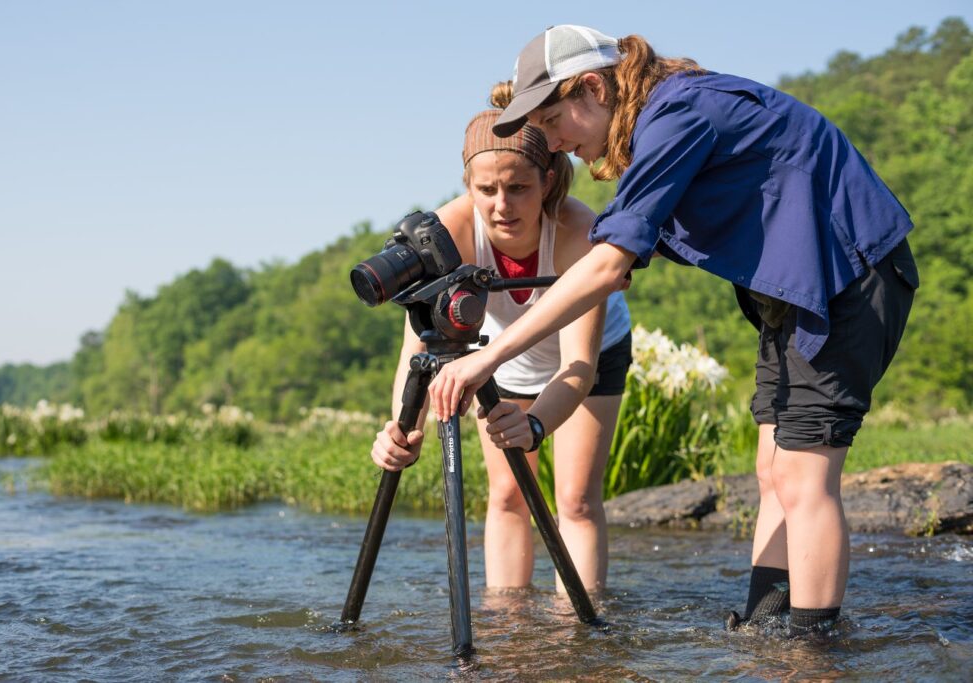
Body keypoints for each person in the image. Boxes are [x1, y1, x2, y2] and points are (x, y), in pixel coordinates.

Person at [427, 25, 918, 636]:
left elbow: (605, 265)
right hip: (794, 293)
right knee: (773, 471)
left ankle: (811, 652)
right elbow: (628, 241)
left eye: (555, 123)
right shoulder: (665, 113)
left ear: (591, 88)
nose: (554, 143)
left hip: (849, 276)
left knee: (803, 475)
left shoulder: (677, 113)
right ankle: (766, 628)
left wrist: (484, 358)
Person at [370, 97, 632, 593]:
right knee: (509, 495)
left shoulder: (580, 232)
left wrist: (534, 425)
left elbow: (578, 363)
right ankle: (508, 631)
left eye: (518, 188)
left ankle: (576, 637)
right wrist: (405, 429)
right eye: (486, 190)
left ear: (548, 181)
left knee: (574, 499)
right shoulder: (448, 233)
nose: (502, 206)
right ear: (467, 187)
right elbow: (419, 347)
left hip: (588, 359)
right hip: (501, 356)